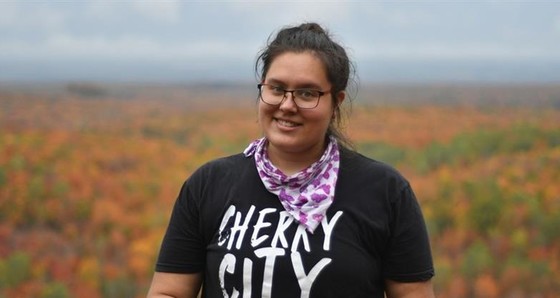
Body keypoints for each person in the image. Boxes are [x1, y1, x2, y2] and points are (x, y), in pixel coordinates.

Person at [147, 22, 435, 298]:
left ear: (336, 102)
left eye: (307, 93)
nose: (287, 105)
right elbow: (169, 291)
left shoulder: (385, 192)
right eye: (276, 88)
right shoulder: (208, 185)